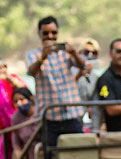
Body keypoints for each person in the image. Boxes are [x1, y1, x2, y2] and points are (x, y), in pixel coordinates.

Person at [26, 15, 86, 147]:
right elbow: (31, 72)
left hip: (72, 114)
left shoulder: (66, 52)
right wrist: (43, 57)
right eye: (46, 33)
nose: (50, 36)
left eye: (53, 32)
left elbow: (83, 66)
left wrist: (74, 53)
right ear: (39, 34)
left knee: (77, 154)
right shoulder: (33, 54)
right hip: (49, 117)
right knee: (51, 157)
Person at [76, 38, 103, 131]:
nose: (90, 55)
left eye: (94, 52)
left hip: (92, 117)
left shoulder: (96, 76)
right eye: (86, 52)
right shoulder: (71, 72)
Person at [10, 87, 40, 159]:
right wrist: (18, 150)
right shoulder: (16, 118)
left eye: (22, 99)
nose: (19, 103)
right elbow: (15, 139)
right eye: (16, 101)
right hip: (31, 155)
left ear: (30, 99)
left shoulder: (40, 113)